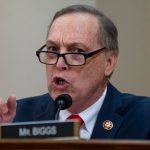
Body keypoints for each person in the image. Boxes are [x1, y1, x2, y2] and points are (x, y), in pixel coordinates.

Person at [0, 4, 150, 139]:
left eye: (77, 51)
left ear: (108, 62)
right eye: (53, 49)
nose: (59, 63)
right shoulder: (17, 119)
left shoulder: (144, 119)